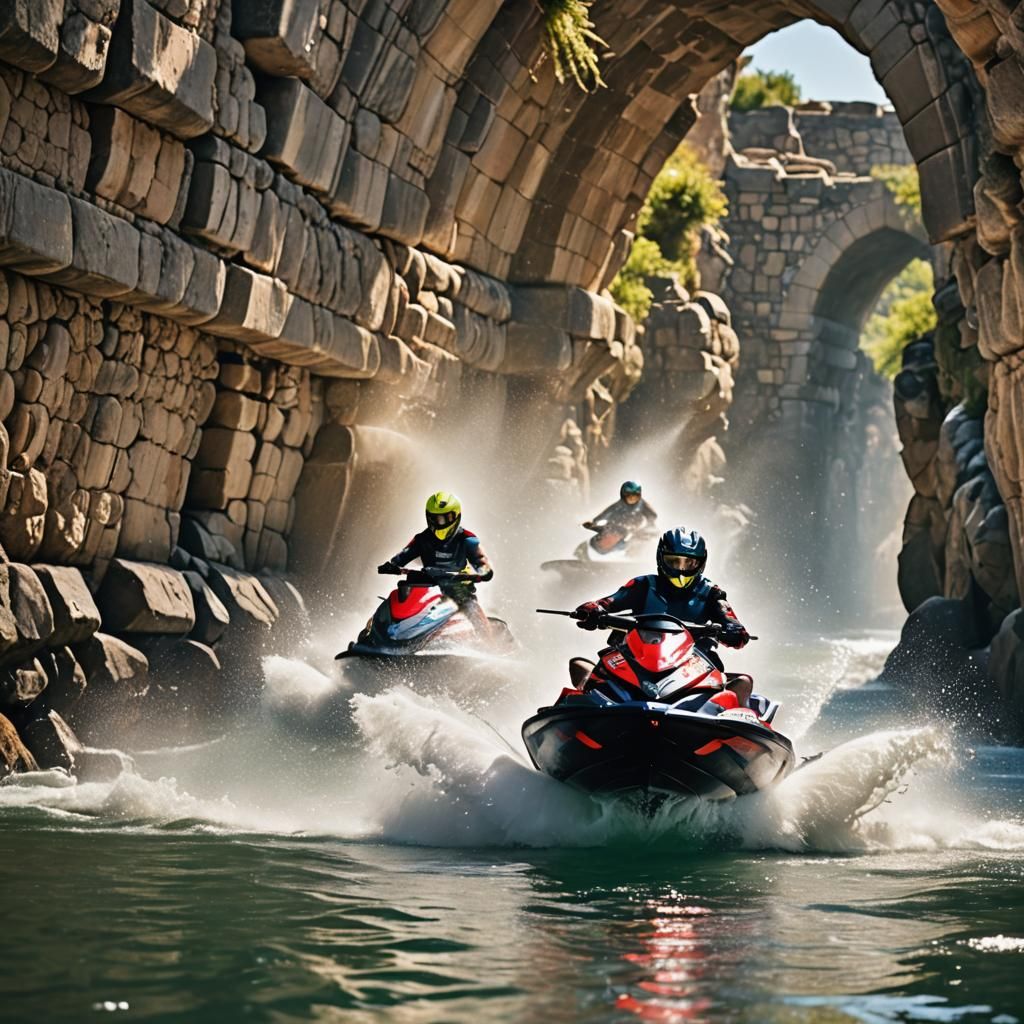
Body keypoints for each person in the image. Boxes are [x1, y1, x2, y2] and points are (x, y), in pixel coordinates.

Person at [571, 526, 753, 695]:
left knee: (741, 684)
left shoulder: (712, 593)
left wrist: (734, 631)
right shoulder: (643, 585)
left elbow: (733, 622)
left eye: (689, 563)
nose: (681, 570)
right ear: (661, 558)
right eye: (674, 561)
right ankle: (568, 709)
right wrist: (593, 609)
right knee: (591, 674)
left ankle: (733, 717)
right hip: (634, 658)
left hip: (694, 664)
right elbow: (609, 601)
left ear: (701, 563)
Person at [378, 491, 494, 635]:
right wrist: (392, 565)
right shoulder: (421, 538)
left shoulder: (467, 539)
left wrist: (483, 570)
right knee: (397, 595)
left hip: (457, 587)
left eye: (446, 518)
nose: (441, 523)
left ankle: (490, 644)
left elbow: (480, 559)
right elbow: (403, 555)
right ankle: (373, 635)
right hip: (426, 585)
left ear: (456, 516)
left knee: (471, 607)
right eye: (436, 518)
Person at [583, 480, 658, 537]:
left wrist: (649, 527)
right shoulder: (619, 505)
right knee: (609, 528)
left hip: (636, 530)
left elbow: (653, 515)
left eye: (635, 496)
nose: (632, 499)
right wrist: (594, 522)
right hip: (618, 528)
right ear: (624, 495)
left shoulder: (642, 504)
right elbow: (606, 513)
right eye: (630, 496)